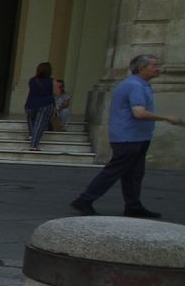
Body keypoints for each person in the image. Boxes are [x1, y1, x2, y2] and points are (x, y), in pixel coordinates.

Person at [70, 54, 182, 219]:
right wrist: (166, 118)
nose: (158, 68)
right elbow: (138, 113)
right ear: (142, 68)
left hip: (138, 136)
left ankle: (133, 205)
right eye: (154, 65)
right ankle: (84, 199)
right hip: (128, 137)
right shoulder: (135, 86)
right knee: (114, 171)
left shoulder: (140, 85)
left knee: (134, 174)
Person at [24, 61, 55, 150]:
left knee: (31, 121)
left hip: (30, 104)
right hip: (45, 104)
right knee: (39, 124)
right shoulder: (51, 81)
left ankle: (32, 135)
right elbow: (56, 93)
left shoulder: (32, 80)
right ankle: (33, 145)